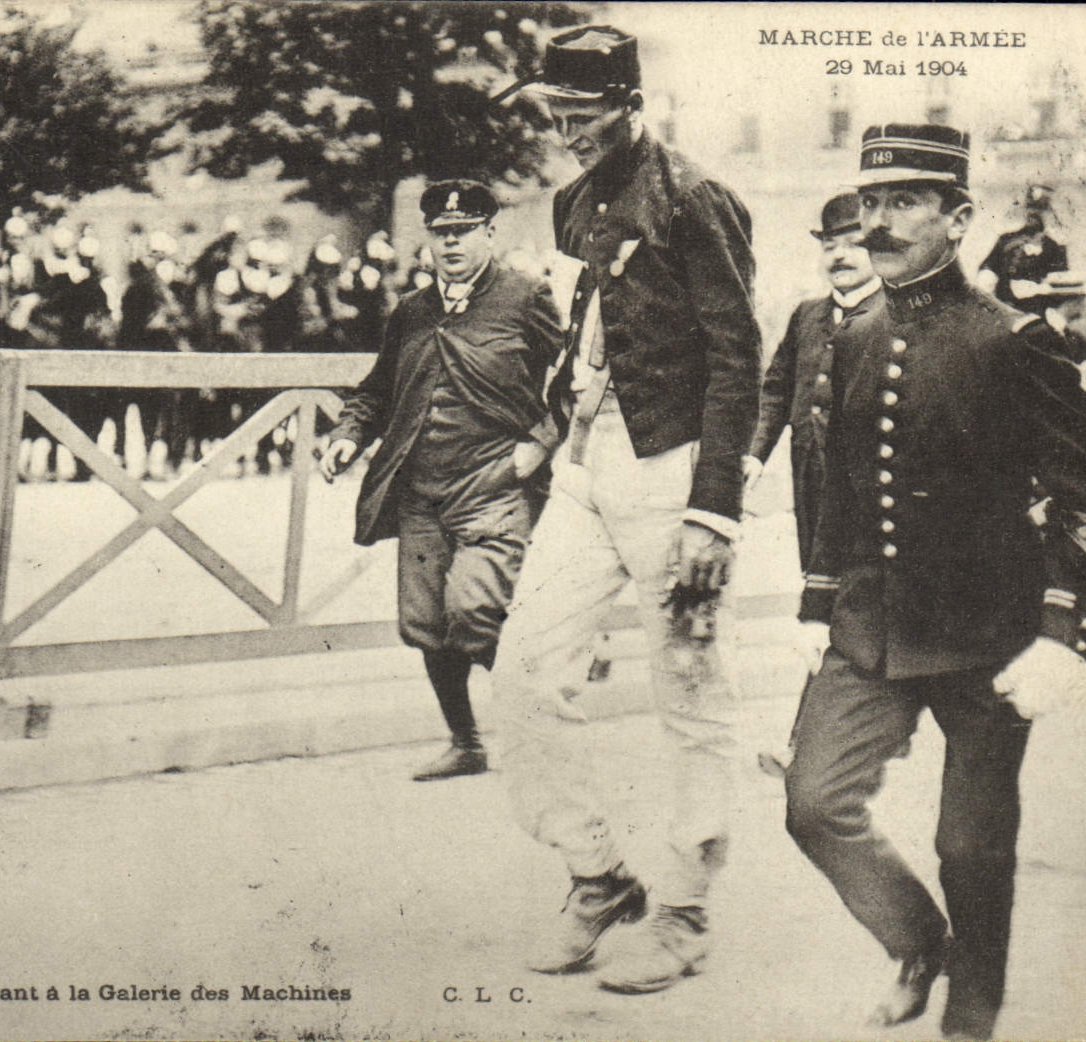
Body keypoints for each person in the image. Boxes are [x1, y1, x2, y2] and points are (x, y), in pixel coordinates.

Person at [783, 124, 1086, 1039]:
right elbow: (840, 487)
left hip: (986, 633)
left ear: (959, 217)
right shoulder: (849, 335)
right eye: (869, 204)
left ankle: (970, 1014)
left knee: (970, 847)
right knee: (813, 804)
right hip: (868, 626)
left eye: (904, 203)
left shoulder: (1014, 342)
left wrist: (1062, 631)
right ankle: (916, 940)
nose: (877, 223)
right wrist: (816, 603)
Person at [488, 25, 761, 992]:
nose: (568, 128)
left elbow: (739, 359)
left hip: (672, 469)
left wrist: (713, 511)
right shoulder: (570, 201)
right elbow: (581, 327)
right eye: (555, 111)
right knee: (520, 678)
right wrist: (549, 431)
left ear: (629, 102)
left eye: (585, 110)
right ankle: (599, 876)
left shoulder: (694, 198)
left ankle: (684, 910)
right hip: (586, 466)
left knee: (689, 694)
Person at [320, 181, 563, 781]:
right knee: (427, 625)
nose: (451, 243)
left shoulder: (526, 297)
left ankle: (543, 727)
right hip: (421, 491)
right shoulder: (412, 311)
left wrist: (539, 444)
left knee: (476, 609)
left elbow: (574, 380)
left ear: (489, 233)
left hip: (494, 484)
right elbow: (376, 391)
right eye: (441, 233)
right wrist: (350, 433)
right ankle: (467, 743)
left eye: (464, 231)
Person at [746, 191, 880, 777]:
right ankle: (854, 736)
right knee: (835, 605)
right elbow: (775, 389)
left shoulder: (896, 316)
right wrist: (752, 456)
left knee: (838, 608)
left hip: (873, 488)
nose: (841, 255)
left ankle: (804, 740)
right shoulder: (806, 315)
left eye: (854, 243)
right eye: (830, 245)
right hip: (813, 486)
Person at [976, 183, 1069, 314]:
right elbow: (989, 265)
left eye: (1039, 211)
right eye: (1031, 210)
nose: (1033, 215)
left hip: (1037, 308)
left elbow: (1060, 280)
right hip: (1005, 306)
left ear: (1048, 213)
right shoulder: (1006, 239)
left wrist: (1040, 288)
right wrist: (987, 274)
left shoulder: (1053, 246)